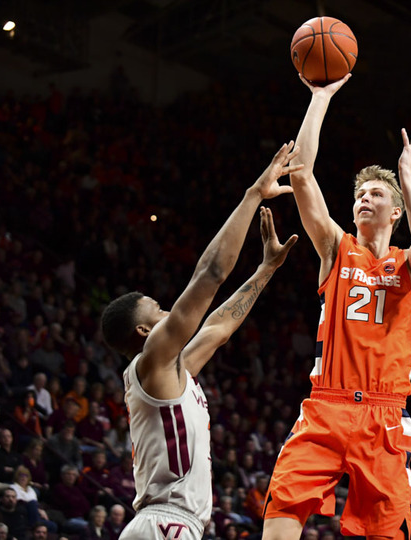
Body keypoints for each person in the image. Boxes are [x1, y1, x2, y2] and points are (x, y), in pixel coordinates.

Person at [263, 74, 411, 540]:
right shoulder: (335, 250)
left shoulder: (409, 266)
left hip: (384, 416)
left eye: (376, 195)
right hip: (326, 407)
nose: (365, 199)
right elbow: (301, 173)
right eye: (360, 194)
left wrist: (405, 177)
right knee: (278, 517)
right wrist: (319, 98)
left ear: (395, 211)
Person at [100, 143, 300, 540]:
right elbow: (209, 273)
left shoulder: (172, 372)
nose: (166, 312)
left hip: (169, 524)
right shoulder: (152, 362)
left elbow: (217, 329)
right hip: (164, 523)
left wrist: (265, 269)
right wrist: (254, 193)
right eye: (157, 310)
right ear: (144, 332)